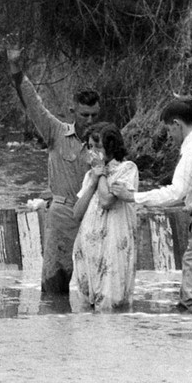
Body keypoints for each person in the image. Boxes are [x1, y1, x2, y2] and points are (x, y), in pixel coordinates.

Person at [111, 88, 192, 313]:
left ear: (176, 124)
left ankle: (189, 345)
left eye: (168, 130)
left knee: (189, 304)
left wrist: (132, 196)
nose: (169, 136)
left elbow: (176, 193)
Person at [6, 45, 101, 295]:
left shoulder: (105, 142)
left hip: (93, 218)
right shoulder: (56, 132)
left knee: (94, 289)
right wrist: (16, 67)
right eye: (84, 115)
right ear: (73, 112)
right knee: (54, 287)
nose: (89, 121)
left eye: (93, 115)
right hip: (62, 216)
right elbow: (32, 103)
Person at [70, 122, 139, 311]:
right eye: (90, 147)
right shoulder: (89, 176)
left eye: (97, 147)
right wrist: (93, 180)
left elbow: (107, 201)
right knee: (84, 306)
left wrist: (101, 175)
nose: (92, 152)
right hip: (88, 246)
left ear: (111, 146)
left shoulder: (126, 169)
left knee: (111, 303)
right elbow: (76, 213)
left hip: (112, 245)